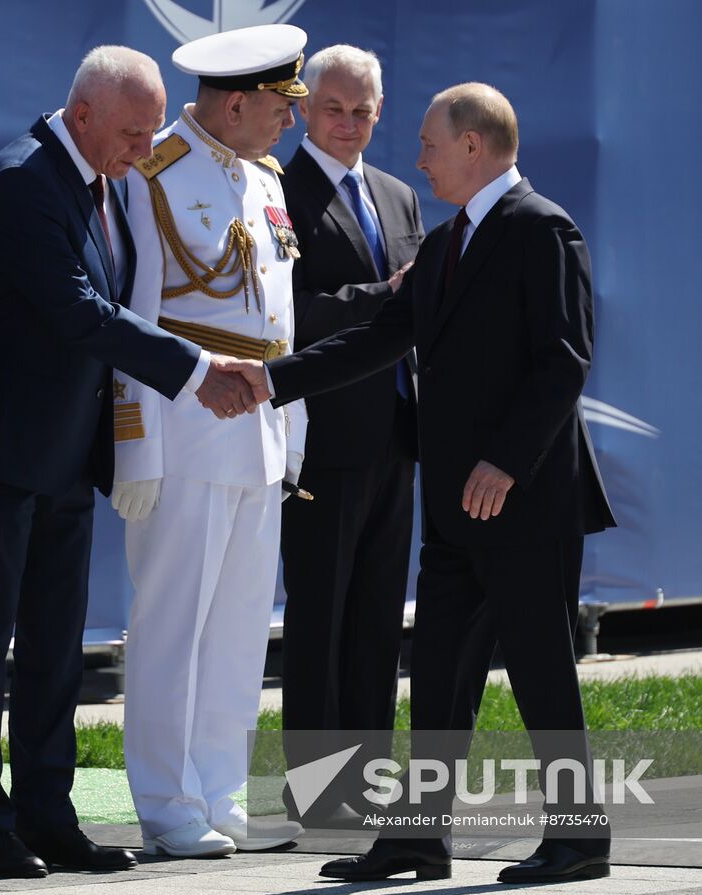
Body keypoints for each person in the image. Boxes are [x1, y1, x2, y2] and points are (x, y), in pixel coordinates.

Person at [236, 82, 616, 884]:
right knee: (439, 672)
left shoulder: (541, 229)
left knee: (542, 664)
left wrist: (506, 461)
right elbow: (378, 339)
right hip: (454, 507)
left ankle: (579, 838)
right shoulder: (445, 247)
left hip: (525, 498)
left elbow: (563, 360)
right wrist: (269, 382)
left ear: (474, 146)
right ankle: (417, 837)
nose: (418, 160)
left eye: (431, 145)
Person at [0, 45, 262, 878]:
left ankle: (50, 815)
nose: (141, 149)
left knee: (56, 650)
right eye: (131, 132)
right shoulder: (21, 179)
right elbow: (82, 313)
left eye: (152, 132)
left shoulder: (100, 183)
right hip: (5, 455)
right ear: (82, 113)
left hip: (68, 456)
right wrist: (196, 370)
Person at [110, 23, 309, 857]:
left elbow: (277, 324)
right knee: (171, 622)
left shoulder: (262, 176)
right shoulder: (154, 171)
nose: (286, 124)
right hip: (185, 427)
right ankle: (166, 802)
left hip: (258, 429)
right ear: (234, 102)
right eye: (277, 106)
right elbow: (137, 315)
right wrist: (137, 446)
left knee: (237, 626)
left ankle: (221, 791)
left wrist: (292, 431)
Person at [276, 45, 423, 820]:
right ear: (302, 109)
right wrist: (382, 294)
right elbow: (286, 315)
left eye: (362, 110)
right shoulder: (278, 191)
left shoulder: (398, 196)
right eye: (333, 108)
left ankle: (371, 784)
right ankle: (320, 790)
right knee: (320, 615)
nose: (348, 123)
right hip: (321, 439)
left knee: (375, 617)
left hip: (396, 435)